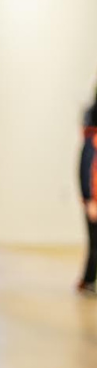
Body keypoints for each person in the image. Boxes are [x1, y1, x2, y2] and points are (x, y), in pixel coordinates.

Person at [79, 91, 97, 296]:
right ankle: (88, 280)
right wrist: (89, 200)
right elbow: (85, 172)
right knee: (94, 246)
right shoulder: (91, 141)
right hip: (93, 202)